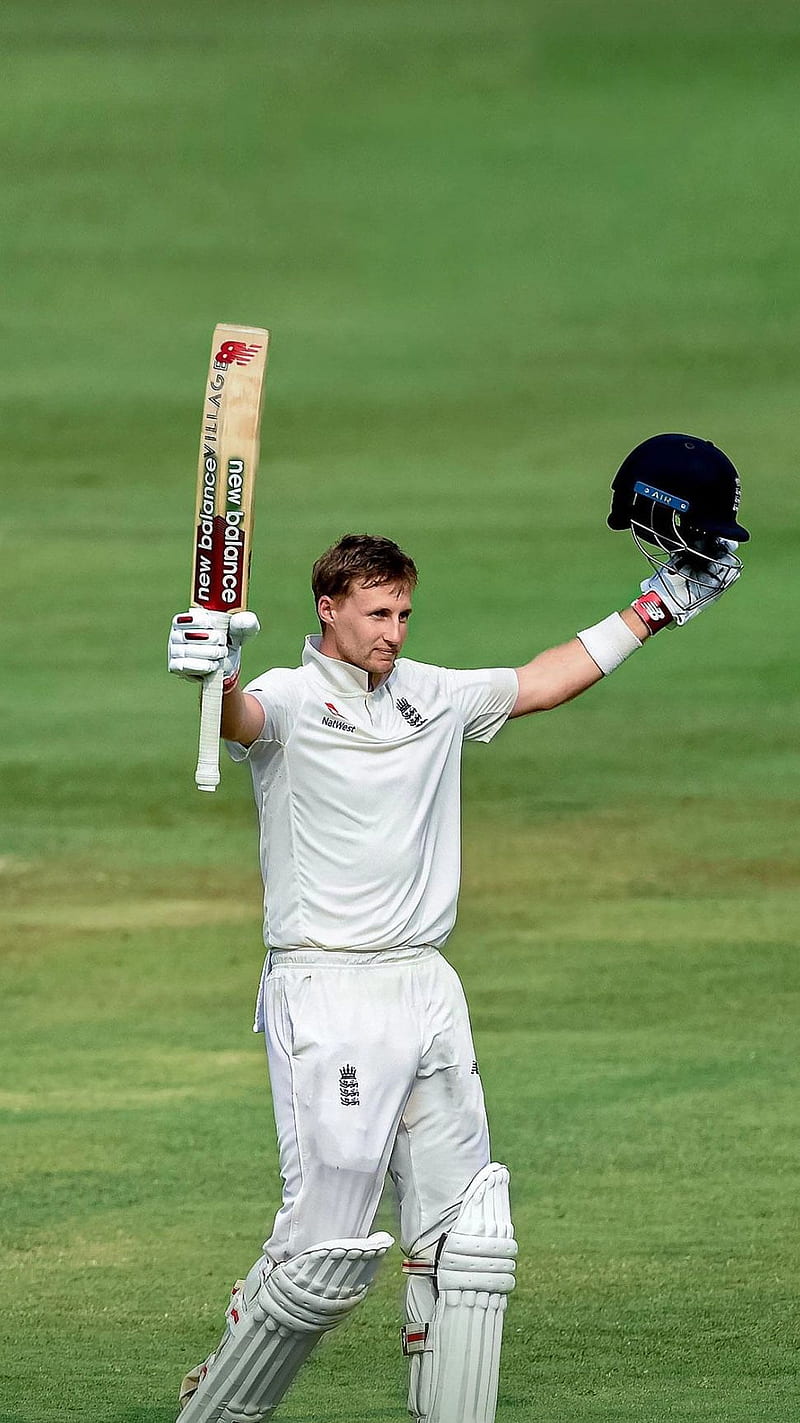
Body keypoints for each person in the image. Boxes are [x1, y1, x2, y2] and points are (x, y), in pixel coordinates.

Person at [166, 436, 747, 1423]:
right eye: (377, 613)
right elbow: (240, 721)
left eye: (402, 612)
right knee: (323, 1259)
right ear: (329, 608)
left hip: (426, 986)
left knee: (465, 1240)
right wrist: (208, 671)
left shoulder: (431, 694)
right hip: (329, 989)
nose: (393, 630)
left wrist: (655, 608)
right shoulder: (294, 703)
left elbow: (543, 679)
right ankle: (217, 1402)